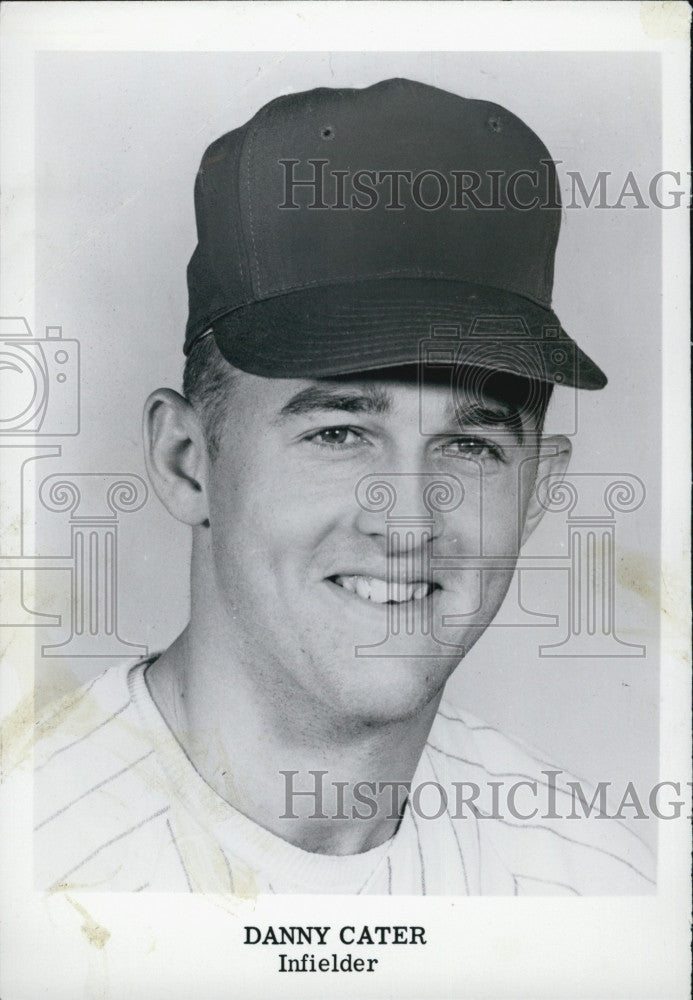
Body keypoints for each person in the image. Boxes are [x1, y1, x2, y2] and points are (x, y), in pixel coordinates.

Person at [34, 78, 654, 894]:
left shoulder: (599, 882)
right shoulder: (31, 854)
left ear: (537, 492)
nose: (406, 519)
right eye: (338, 432)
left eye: (469, 445)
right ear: (187, 459)